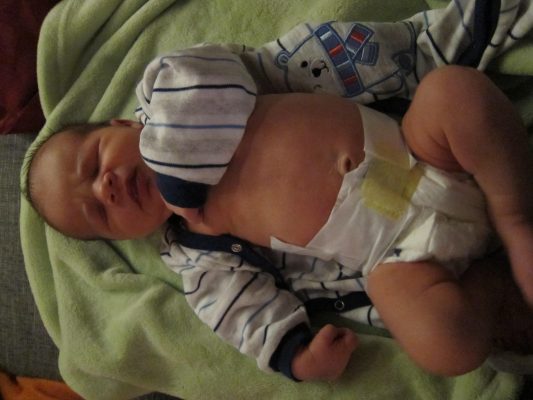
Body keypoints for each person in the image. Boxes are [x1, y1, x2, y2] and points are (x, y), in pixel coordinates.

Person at [27, 3, 533, 381]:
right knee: (442, 344)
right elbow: (236, 312)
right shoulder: (196, 254)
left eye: (95, 162)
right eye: (99, 213)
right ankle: (494, 288)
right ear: (124, 236)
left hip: (422, 150)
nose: (107, 187)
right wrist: (296, 355)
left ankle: (515, 221)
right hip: (398, 257)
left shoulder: (169, 95)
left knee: (453, 93)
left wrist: (176, 171)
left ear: (122, 125)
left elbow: (211, 75)